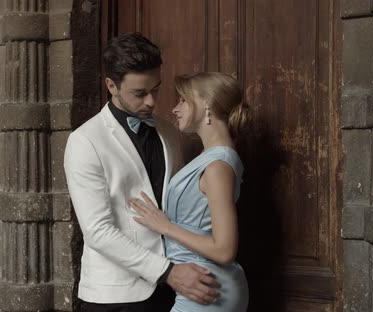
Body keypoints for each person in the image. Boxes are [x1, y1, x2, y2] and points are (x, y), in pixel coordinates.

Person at [64, 33, 221, 312]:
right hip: (116, 297)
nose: (151, 101)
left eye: (156, 89)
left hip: (173, 290)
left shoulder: (169, 131)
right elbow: (98, 231)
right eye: (139, 93)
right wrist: (168, 271)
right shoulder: (84, 141)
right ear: (111, 85)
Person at [129, 72, 250, 312]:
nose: (175, 109)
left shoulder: (217, 167)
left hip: (210, 287)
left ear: (206, 103)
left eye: (183, 100)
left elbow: (224, 250)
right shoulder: (209, 159)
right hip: (203, 285)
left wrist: (165, 226)